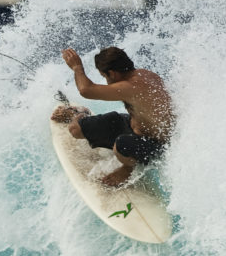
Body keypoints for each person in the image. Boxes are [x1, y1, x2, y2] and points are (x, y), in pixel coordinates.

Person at [51, 46, 174, 187]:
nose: (106, 81)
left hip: (154, 145)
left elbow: (86, 90)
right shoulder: (140, 76)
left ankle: (127, 168)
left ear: (112, 73)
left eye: (104, 77)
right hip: (133, 126)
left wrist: (77, 67)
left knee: (121, 145)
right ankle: (80, 114)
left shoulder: (132, 86)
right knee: (75, 129)